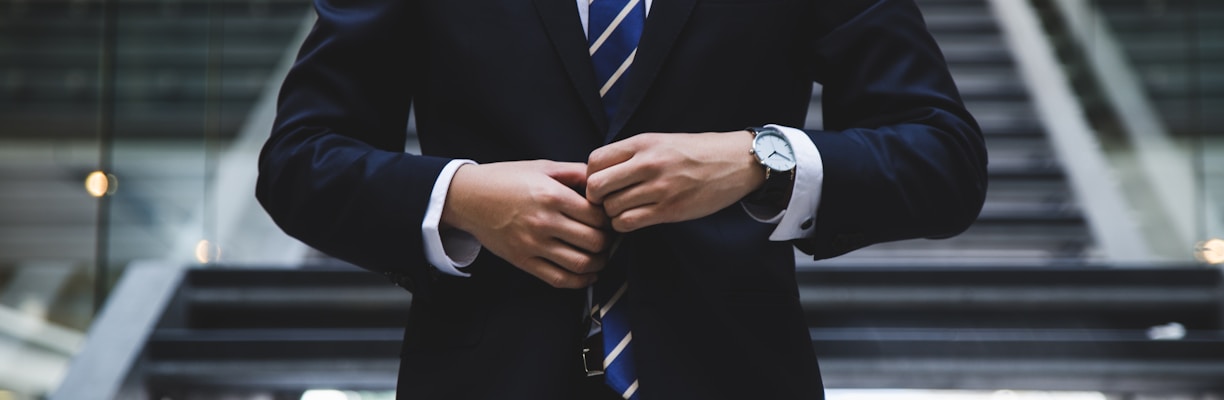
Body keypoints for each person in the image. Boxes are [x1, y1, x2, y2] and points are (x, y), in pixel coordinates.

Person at [256, 0, 987, 398]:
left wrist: (759, 158)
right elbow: (299, 159)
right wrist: (460, 196)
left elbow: (943, 155)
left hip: (735, 377)